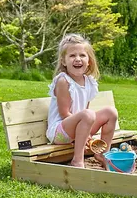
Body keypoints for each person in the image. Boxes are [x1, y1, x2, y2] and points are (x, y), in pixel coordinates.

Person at [46, 33, 118, 168]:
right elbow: (64, 113)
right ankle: (77, 160)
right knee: (88, 114)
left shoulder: (89, 82)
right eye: (72, 56)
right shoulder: (63, 81)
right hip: (60, 131)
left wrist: (86, 133)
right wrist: (84, 130)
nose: (77, 59)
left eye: (82, 55)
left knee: (111, 112)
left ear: (89, 60)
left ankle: (102, 154)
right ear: (63, 61)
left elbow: (86, 111)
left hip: (80, 127)